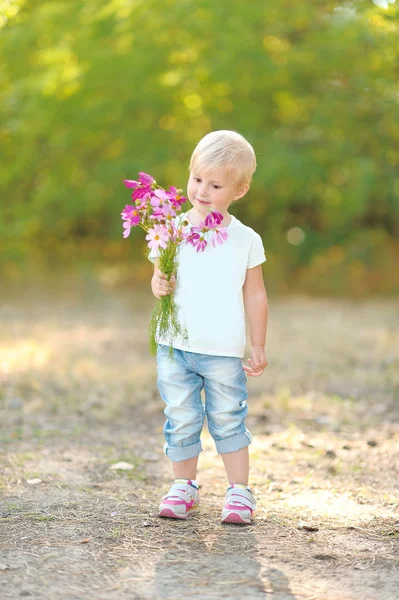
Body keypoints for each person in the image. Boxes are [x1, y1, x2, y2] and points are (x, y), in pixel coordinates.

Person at [148, 130, 268, 524]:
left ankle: (239, 492)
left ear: (240, 190)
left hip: (222, 349)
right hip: (175, 346)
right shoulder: (171, 227)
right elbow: (158, 279)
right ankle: (184, 486)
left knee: (228, 418)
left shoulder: (245, 239)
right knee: (181, 416)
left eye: (215, 185)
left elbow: (255, 295)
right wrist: (159, 282)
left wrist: (258, 345)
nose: (202, 190)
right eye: (197, 179)